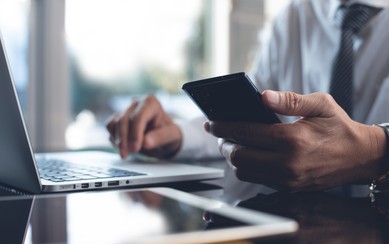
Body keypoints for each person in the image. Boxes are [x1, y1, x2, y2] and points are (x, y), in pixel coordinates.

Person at [106, 0, 389, 199]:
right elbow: (254, 121)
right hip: (302, 228)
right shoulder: (293, 16)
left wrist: (376, 152)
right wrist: (177, 135)